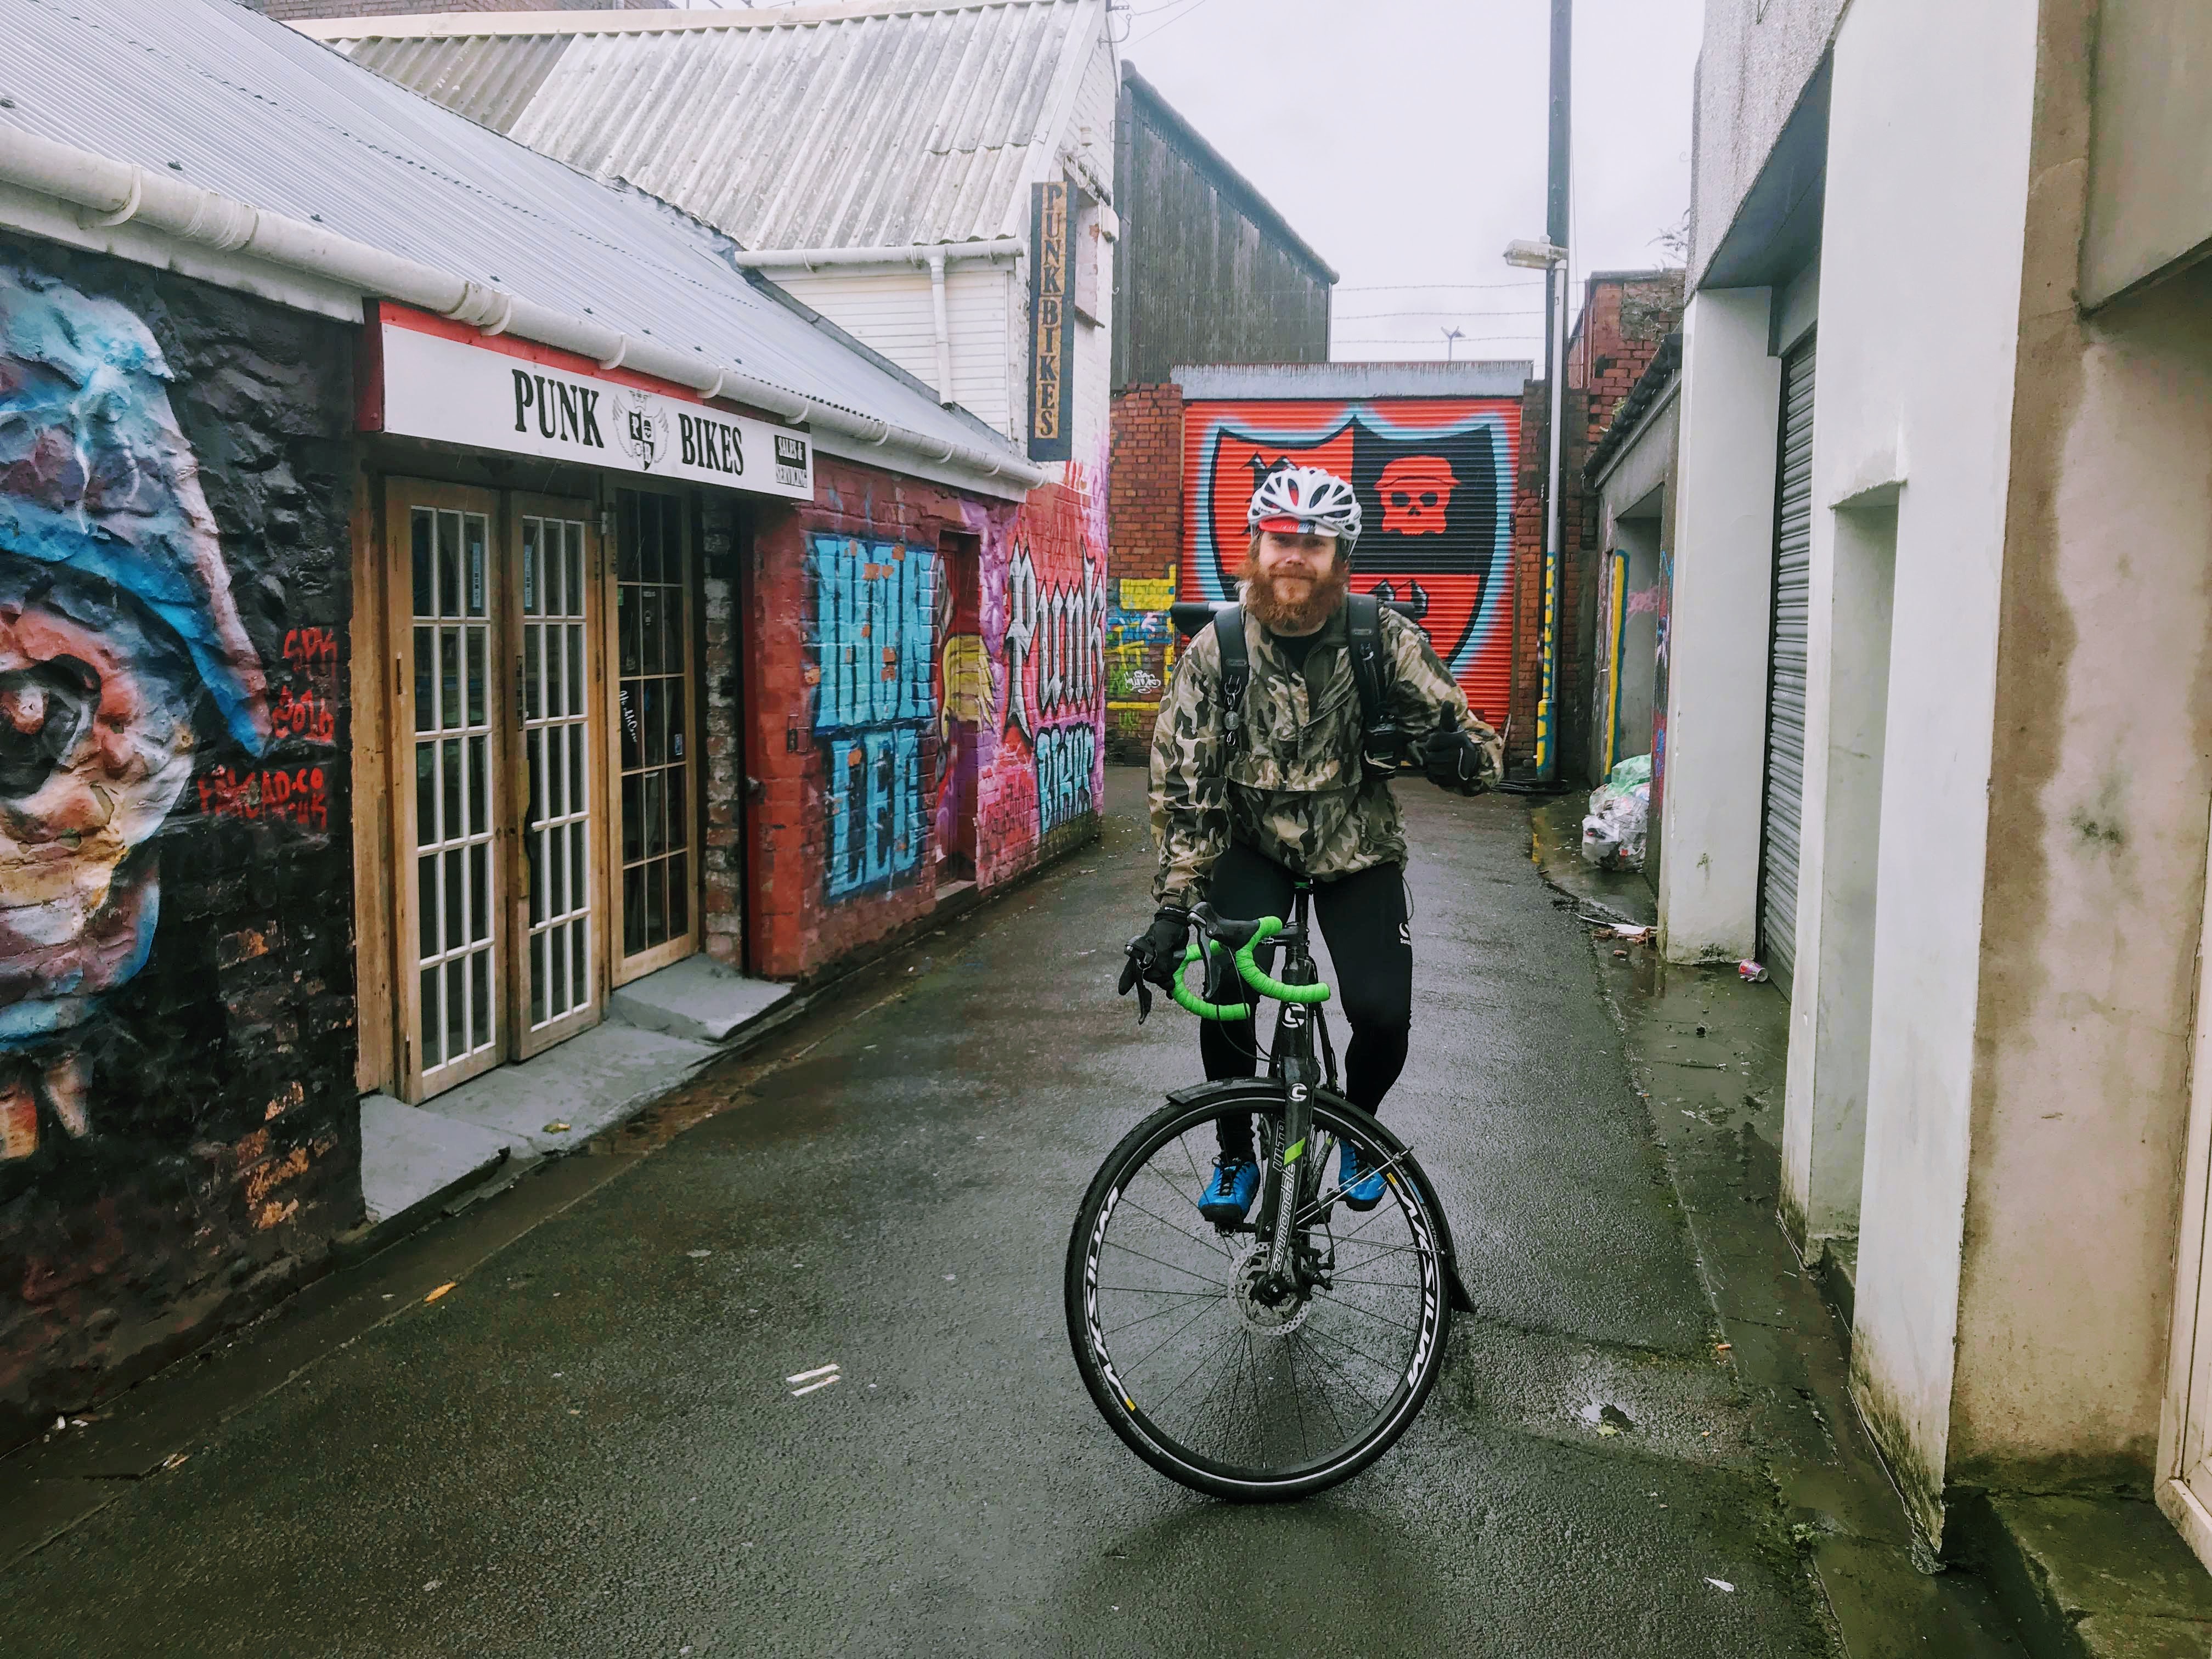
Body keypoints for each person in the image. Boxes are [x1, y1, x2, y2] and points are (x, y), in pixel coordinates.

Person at [1121, 464, 1503, 1222]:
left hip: (1356, 849)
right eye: (1278, 539)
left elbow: (1477, 755)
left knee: (1382, 1012)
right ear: (1255, 548)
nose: (1293, 555)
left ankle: (1356, 1127)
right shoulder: (1218, 648)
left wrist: (1452, 757)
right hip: (1251, 848)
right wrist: (1175, 907)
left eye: (1312, 541)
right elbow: (1184, 782)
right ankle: (1236, 1153)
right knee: (1228, 991)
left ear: (1341, 555)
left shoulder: (1380, 638)